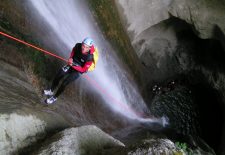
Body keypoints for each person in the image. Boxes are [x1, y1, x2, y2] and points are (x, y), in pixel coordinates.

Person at [44, 37, 95, 104]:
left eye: (86, 47)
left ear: (89, 48)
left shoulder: (90, 58)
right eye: (83, 45)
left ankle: (54, 98)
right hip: (72, 64)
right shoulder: (78, 46)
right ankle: (51, 90)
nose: (83, 48)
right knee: (59, 74)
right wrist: (70, 58)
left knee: (64, 83)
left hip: (78, 71)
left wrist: (73, 65)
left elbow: (83, 70)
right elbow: (73, 51)